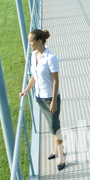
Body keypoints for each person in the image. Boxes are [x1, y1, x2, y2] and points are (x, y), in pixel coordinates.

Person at [20, 29, 65, 171]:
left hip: (50, 98)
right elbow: (34, 76)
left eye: (31, 41)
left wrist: (53, 101)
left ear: (39, 41)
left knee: (54, 125)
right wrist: (26, 90)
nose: (29, 44)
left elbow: (55, 80)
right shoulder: (34, 56)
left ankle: (61, 155)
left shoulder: (51, 58)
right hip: (39, 97)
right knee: (52, 125)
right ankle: (57, 149)